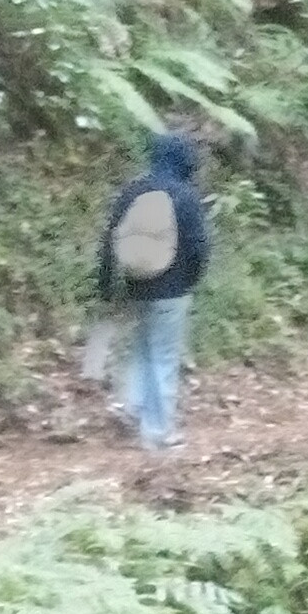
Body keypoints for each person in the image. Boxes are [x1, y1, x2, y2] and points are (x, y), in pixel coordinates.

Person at [97, 132, 212, 453]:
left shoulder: (133, 190)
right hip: (173, 291)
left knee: (143, 348)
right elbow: (199, 248)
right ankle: (158, 434)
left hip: (137, 285)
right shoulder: (185, 196)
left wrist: (106, 284)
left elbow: (109, 240)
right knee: (163, 356)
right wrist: (190, 280)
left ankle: (131, 407)